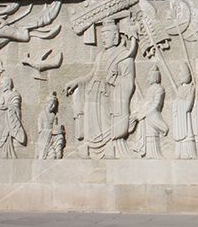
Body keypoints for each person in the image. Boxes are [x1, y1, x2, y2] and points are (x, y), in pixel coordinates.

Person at [65, 19, 138, 159]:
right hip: (93, 93)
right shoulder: (100, 56)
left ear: (115, 36)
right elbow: (92, 75)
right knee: (91, 118)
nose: (103, 39)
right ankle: (90, 145)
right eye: (102, 36)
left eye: (106, 35)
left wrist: (114, 80)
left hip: (109, 96)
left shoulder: (124, 56)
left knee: (105, 120)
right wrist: (76, 82)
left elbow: (128, 82)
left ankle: (109, 143)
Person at [0, 77, 25, 158]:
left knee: (6, 139)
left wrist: (8, 106)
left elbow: (16, 106)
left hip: (8, 121)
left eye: (2, 84)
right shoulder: (2, 95)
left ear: (7, 84)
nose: (1, 86)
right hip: (0, 121)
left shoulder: (14, 95)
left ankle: (6, 154)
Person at [36, 91, 65, 160]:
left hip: (53, 136)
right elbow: (40, 131)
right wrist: (51, 132)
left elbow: (55, 126)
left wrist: (59, 130)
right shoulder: (41, 115)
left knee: (60, 136)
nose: (53, 106)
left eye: (55, 105)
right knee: (52, 156)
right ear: (47, 103)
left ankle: (59, 153)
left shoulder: (53, 116)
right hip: (45, 139)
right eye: (51, 104)